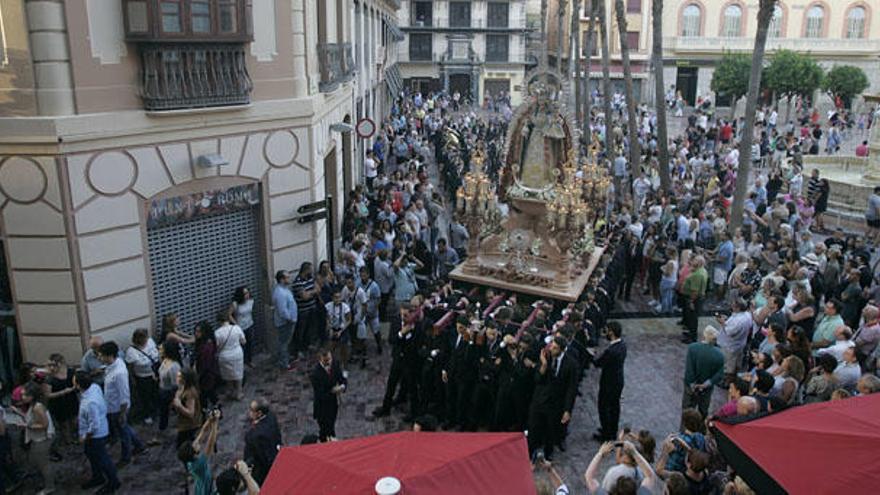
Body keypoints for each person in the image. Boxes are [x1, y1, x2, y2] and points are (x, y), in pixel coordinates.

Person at [527, 336, 577, 462]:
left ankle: (548, 453)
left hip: (556, 404)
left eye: (555, 348)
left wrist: (567, 410)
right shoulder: (545, 357)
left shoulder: (571, 364)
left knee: (551, 431)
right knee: (533, 429)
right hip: (539, 401)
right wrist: (543, 365)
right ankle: (530, 452)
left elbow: (571, 389)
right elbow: (537, 379)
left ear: (562, 349)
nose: (552, 350)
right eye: (551, 346)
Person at [97, 341, 145, 467]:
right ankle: (139, 445)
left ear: (109, 356)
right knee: (125, 428)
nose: (99, 358)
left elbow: (124, 395)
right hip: (112, 406)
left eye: (101, 355)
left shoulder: (119, 373)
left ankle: (126, 456)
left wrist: (123, 413)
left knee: (123, 433)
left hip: (118, 408)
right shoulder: (113, 365)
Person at [74, 370, 120, 494]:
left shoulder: (90, 402)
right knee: (91, 454)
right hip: (95, 431)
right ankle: (97, 476)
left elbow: (94, 425)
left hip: (95, 435)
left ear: (78, 385)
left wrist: (85, 437)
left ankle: (113, 482)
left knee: (102, 458)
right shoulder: (94, 387)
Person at [14, 383, 55, 495]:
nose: (22, 398)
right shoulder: (34, 404)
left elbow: (44, 424)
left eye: (24, 395)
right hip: (38, 438)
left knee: (44, 464)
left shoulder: (37, 407)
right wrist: (19, 413)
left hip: (42, 439)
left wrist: (27, 426)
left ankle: (49, 487)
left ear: (32, 396)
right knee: (40, 462)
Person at [592, 322, 627, 442]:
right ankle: (612, 430)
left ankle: (606, 434)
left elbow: (598, 363)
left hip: (608, 384)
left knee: (604, 407)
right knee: (614, 407)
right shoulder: (622, 345)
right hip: (618, 381)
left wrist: (592, 355)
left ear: (611, 332)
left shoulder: (611, 351)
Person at [681, 326, 724, 420]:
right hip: (706, 389)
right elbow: (719, 374)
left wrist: (692, 384)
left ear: (704, 335)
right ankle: (700, 430)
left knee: (687, 410)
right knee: (703, 411)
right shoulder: (719, 355)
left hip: (691, 387)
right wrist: (706, 384)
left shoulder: (693, 348)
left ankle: (684, 432)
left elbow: (690, 368)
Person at [177, 409, 221, 495]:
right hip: (205, 488)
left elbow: (203, 432)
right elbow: (210, 442)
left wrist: (209, 420)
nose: (196, 443)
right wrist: (215, 423)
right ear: (194, 453)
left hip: (200, 485)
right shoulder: (199, 464)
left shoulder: (190, 462)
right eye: (195, 445)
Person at [309, 348, 347, 441]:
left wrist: (343, 386)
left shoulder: (335, 364)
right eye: (326, 360)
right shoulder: (315, 374)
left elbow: (342, 378)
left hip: (333, 404)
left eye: (330, 359)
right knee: (325, 430)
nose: (329, 362)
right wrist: (333, 391)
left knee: (331, 426)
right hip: (322, 407)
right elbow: (320, 394)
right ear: (320, 359)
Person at [124, 328, 159, 425]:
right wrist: (133, 380)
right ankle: (146, 415)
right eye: (144, 338)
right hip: (142, 377)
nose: (146, 340)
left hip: (154, 373)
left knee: (154, 393)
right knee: (145, 397)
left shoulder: (150, 342)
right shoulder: (131, 352)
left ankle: (155, 411)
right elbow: (130, 367)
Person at [243, 398, 282, 485]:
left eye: (251, 410)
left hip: (262, 470)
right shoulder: (271, 416)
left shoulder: (255, 436)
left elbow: (260, 456)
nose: (249, 412)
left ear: (259, 413)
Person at [45, 354, 78, 452]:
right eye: (49, 365)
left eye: (53, 365)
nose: (51, 368)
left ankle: (74, 437)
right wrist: (63, 392)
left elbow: (76, 384)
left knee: (74, 420)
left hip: (71, 400)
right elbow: (48, 395)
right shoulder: (49, 378)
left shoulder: (71, 372)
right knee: (64, 424)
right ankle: (68, 441)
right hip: (58, 403)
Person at [172, 369, 204, 461]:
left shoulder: (190, 393)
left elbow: (191, 413)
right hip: (184, 423)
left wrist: (179, 405)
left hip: (189, 425)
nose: (177, 378)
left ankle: (192, 466)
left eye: (179, 376)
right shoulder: (182, 388)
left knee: (184, 449)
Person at [215, 310, 246, 401]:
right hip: (237, 354)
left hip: (224, 356)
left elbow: (217, 346)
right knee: (238, 373)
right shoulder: (236, 328)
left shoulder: (217, 333)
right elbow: (243, 341)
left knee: (227, 374)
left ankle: (230, 390)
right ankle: (239, 392)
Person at [156, 341, 182, 443]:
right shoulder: (165, 360)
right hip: (163, 391)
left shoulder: (174, 366)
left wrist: (174, 398)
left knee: (175, 411)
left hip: (169, 393)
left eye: (161, 349)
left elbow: (176, 385)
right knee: (163, 412)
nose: (159, 350)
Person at [272, 270, 298, 371]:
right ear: (282, 280)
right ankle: (284, 363)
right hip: (285, 322)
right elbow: (282, 310)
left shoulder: (284, 289)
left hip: (288, 321)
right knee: (284, 343)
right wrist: (290, 319)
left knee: (286, 342)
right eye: (287, 277)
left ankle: (285, 358)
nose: (289, 279)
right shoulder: (280, 293)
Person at [680, 256, 708, 343]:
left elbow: (695, 291)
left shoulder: (697, 274)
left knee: (692, 318)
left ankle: (692, 337)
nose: (693, 261)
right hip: (696, 297)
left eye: (695, 260)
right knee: (691, 317)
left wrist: (691, 302)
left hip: (694, 298)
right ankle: (690, 333)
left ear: (699, 263)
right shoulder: (701, 270)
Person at [193, 321, 220, 408]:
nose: (196, 334)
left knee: (206, 395)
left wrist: (199, 375)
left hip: (207, 374)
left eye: (198, 331)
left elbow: (206, 363)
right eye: (196, 331)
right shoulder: (202, 343)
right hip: (205, 373)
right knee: (210, 395)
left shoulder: (207, 345)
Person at [325, 288, 352, 370]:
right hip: (333, 328)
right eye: (336, 297)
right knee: (330, 348)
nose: (338, 299)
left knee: (344, 349)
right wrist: (330, 328)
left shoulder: (345, 307)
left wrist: (341, 331)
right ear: (332, 298)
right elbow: (327, 318)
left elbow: (349, 320)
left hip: (342, 328)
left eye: (339, 297)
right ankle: (329, 366)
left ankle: (345, 366)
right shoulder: (328, 306)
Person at [230, 286, 256, 368]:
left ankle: (249, 360)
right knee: (242, 346)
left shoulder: (251, 301)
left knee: (250, 343)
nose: (247, 295)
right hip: (241, 328)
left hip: (250, 325)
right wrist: (235, 324)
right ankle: (241, 362)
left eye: (248, 292)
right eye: (245, 293)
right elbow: (229, 314)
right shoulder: (235, 304)